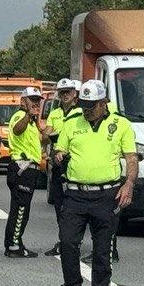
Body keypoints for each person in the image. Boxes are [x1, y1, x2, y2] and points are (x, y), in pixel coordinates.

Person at [52, 80, 138, 286]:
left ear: (104, 103)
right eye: (84, 104)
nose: (87, 109)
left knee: (102, 249)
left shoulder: (120, 124)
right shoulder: (72, 123)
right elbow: (60, 149)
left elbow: (131, 158)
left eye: (92, 105)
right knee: (68, 243)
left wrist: (129, 184)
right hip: (75, 195)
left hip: (107, 194)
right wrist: (59, 156)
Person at [4, 85, 47, 257]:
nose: (36, 104)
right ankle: (14, 246)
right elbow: (16, 129)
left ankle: (15, 243)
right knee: (20, 209)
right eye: (33, 100)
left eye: (38, 100)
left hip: (30, 169)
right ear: (23, 101)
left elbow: (40, 140)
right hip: (23, 168)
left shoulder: (32, 122)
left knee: (21, 209)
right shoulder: (20, 116)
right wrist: (29, 115)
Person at [44, 79, 83, 258]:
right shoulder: (55, 113)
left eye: (68, 91)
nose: (65, 95)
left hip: (76, 164)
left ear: (75, 93)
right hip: (59, 164)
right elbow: (45, 135)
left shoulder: (81, 112)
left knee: (77, 205)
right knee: (60, 205)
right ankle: (63, 240)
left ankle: (76, 240)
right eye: (62, 92)